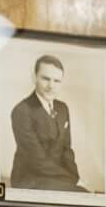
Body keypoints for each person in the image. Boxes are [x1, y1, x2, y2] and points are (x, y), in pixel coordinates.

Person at [7, 52, 84, 191]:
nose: (51, 86)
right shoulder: (21, 111)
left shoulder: (62, 108)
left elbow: (67, 149)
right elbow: (37, 159)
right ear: (34, 77)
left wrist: (77, 178)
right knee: (81, 195)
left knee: (84, 194)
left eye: (57, 81)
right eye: (45, 79)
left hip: (58, 177)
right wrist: (70, 180)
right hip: (30, 179)